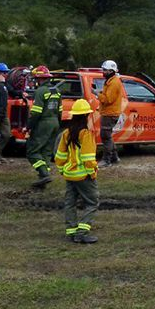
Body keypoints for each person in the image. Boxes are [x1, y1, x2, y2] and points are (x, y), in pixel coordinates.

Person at [55, 98, 99, 244]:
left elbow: (60, 156)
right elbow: (88, 158)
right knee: (92, 203)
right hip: (83, 176)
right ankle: (82, 233)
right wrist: (92, 172)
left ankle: (71, 231)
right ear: (86, 115)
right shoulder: (86, 134)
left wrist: (62, 170)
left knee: (70, 203)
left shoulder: (66, 133)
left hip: (69, 175)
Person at [26, 65, 62, 188]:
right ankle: (43, 179)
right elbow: (60, 110)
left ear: (39, 78)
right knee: (46, 152)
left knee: (32, 151)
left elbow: (36, 112)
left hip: (43, 123)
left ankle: (44, 174)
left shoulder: (40, 91)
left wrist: (29, 126)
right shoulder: (56, 91)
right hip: (55, 123)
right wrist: (57, 124)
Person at [96, 59, 124, 167]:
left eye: (105, 70)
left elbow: (108, 99)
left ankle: (106, 160)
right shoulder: (111, 81)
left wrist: (97, 94)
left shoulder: (114, 82)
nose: (103, 72)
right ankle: (114, 157)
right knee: (108, 136)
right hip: (109, 113)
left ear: (111, 71)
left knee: (105, 137)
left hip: (110, 114)